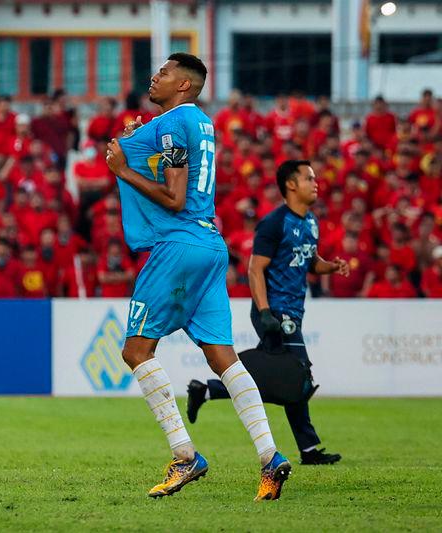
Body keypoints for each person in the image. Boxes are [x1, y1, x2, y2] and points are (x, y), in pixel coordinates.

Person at [105, 52, 291, 501]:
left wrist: (123, 169)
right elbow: (173, 164)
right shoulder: (201, 123)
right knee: (222, 356)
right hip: (210, 243)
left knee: (136, 350)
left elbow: (173, 196)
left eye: (165, 72)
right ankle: (270, 458)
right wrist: (137, 141)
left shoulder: (172, 124)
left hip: (179, 244)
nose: (155, 76)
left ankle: (185, 455)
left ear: (184, 85)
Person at [186, 160, 349, 466]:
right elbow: (254, 268)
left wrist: (331, 266)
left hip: (292, 310)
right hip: (274, 310)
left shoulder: (310, 222)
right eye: (309, 178)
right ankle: (309, 448)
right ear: (291, 184)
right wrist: (264, 312)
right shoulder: (274, 223)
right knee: (298, 373)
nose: (316, 183)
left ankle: (207, 391)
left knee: (285, 376)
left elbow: (310, 261)